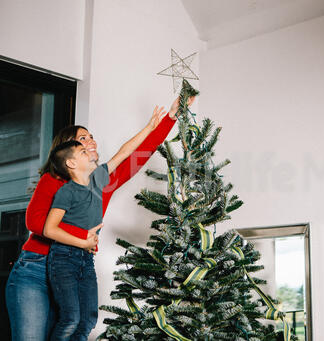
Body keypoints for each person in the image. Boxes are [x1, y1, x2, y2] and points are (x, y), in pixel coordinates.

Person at [5, 96, 193, 340]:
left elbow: (139, 154)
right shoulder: (53, 181)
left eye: (91, 136)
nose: (90, 140)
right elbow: (35, 222)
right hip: (36, 269)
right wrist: (83, 238)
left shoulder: (104, 181)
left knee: (78, 328)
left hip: (74, 269)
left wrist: (170, 118)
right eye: (82, 139)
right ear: (69, 154)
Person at [44, 110, 165, 340]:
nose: (91, 145)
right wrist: (83, 240)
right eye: (82, 147)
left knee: (88, 320)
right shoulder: (65, 192)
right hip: (64, 258)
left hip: (85, 261)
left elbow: (125, 151)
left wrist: (150, 128)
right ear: (71, 162)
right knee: (70, 319)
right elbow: (50, 229)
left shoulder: (99, 177)